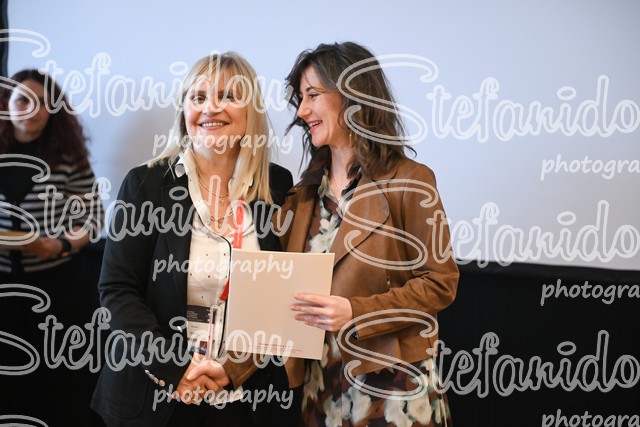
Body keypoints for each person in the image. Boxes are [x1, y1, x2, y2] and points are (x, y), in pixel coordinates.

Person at [91, 52, 300, 427]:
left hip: (245, 399)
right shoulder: (144, 184)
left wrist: (233, 368)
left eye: (227, 96)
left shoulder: (277, 187)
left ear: (250, 111)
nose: (210, 108)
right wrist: (176, 368)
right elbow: (117, 289)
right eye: (198, 97)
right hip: (156, 397)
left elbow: (282, 298)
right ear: (184, 110)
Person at [280, 42, 460, 426]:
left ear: (352, 95)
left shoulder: (412, 181)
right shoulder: (301, 196)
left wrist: (356, 312)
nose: (301, 111)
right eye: (300, 98)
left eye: (312, 95)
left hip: (393, 392)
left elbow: (440, 283)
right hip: (321, 390)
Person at [0, 69, 105, 425]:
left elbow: (93, 217)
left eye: (43, 103)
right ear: (7, 103)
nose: (33, 109)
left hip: (56, 287)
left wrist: (60, 244)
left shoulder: (67, 157)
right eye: (23, 100)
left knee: (52, 384)